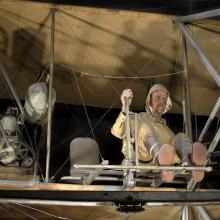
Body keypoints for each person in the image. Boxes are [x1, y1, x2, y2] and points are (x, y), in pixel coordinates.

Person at [111, 84, 207, 183]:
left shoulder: (165, 128)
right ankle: (163, 164)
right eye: (157, 97)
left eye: (165, 99)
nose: (162, 101)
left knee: (180, 137)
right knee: (145, 128)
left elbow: (172, 149)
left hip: (161, 169)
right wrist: (125, 106)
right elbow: (117, 131)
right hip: (142, 163)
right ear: (149, 101)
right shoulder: (138, 117)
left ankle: (193, 165)